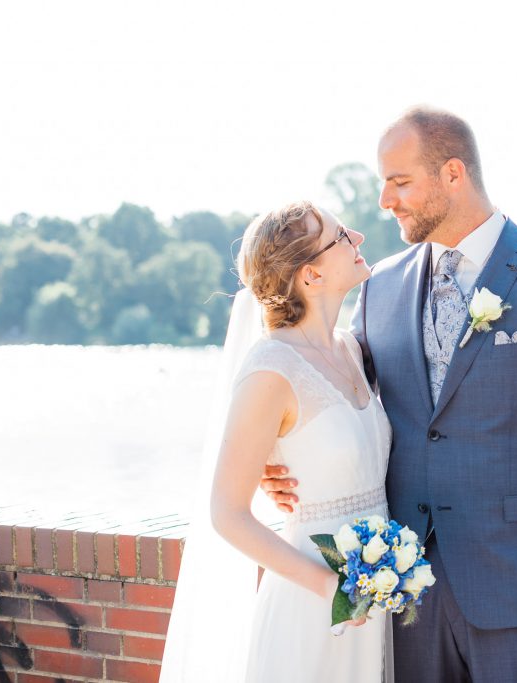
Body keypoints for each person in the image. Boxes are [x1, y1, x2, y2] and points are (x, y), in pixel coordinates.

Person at [262, 107, 517, 682]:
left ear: (453, 174)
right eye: (382, 184)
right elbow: (339, 399)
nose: (386, 201)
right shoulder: (380, 287)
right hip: (408, 598)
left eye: (401, 181)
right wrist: (278, 456)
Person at [161, 201, 393, 682]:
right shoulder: (271, 368)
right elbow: (227, 514)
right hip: (314, 603)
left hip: (372, 600)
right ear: (311, 274)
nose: (359, 238)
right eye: (341, 236)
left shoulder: (351, 347)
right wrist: (333, 589)